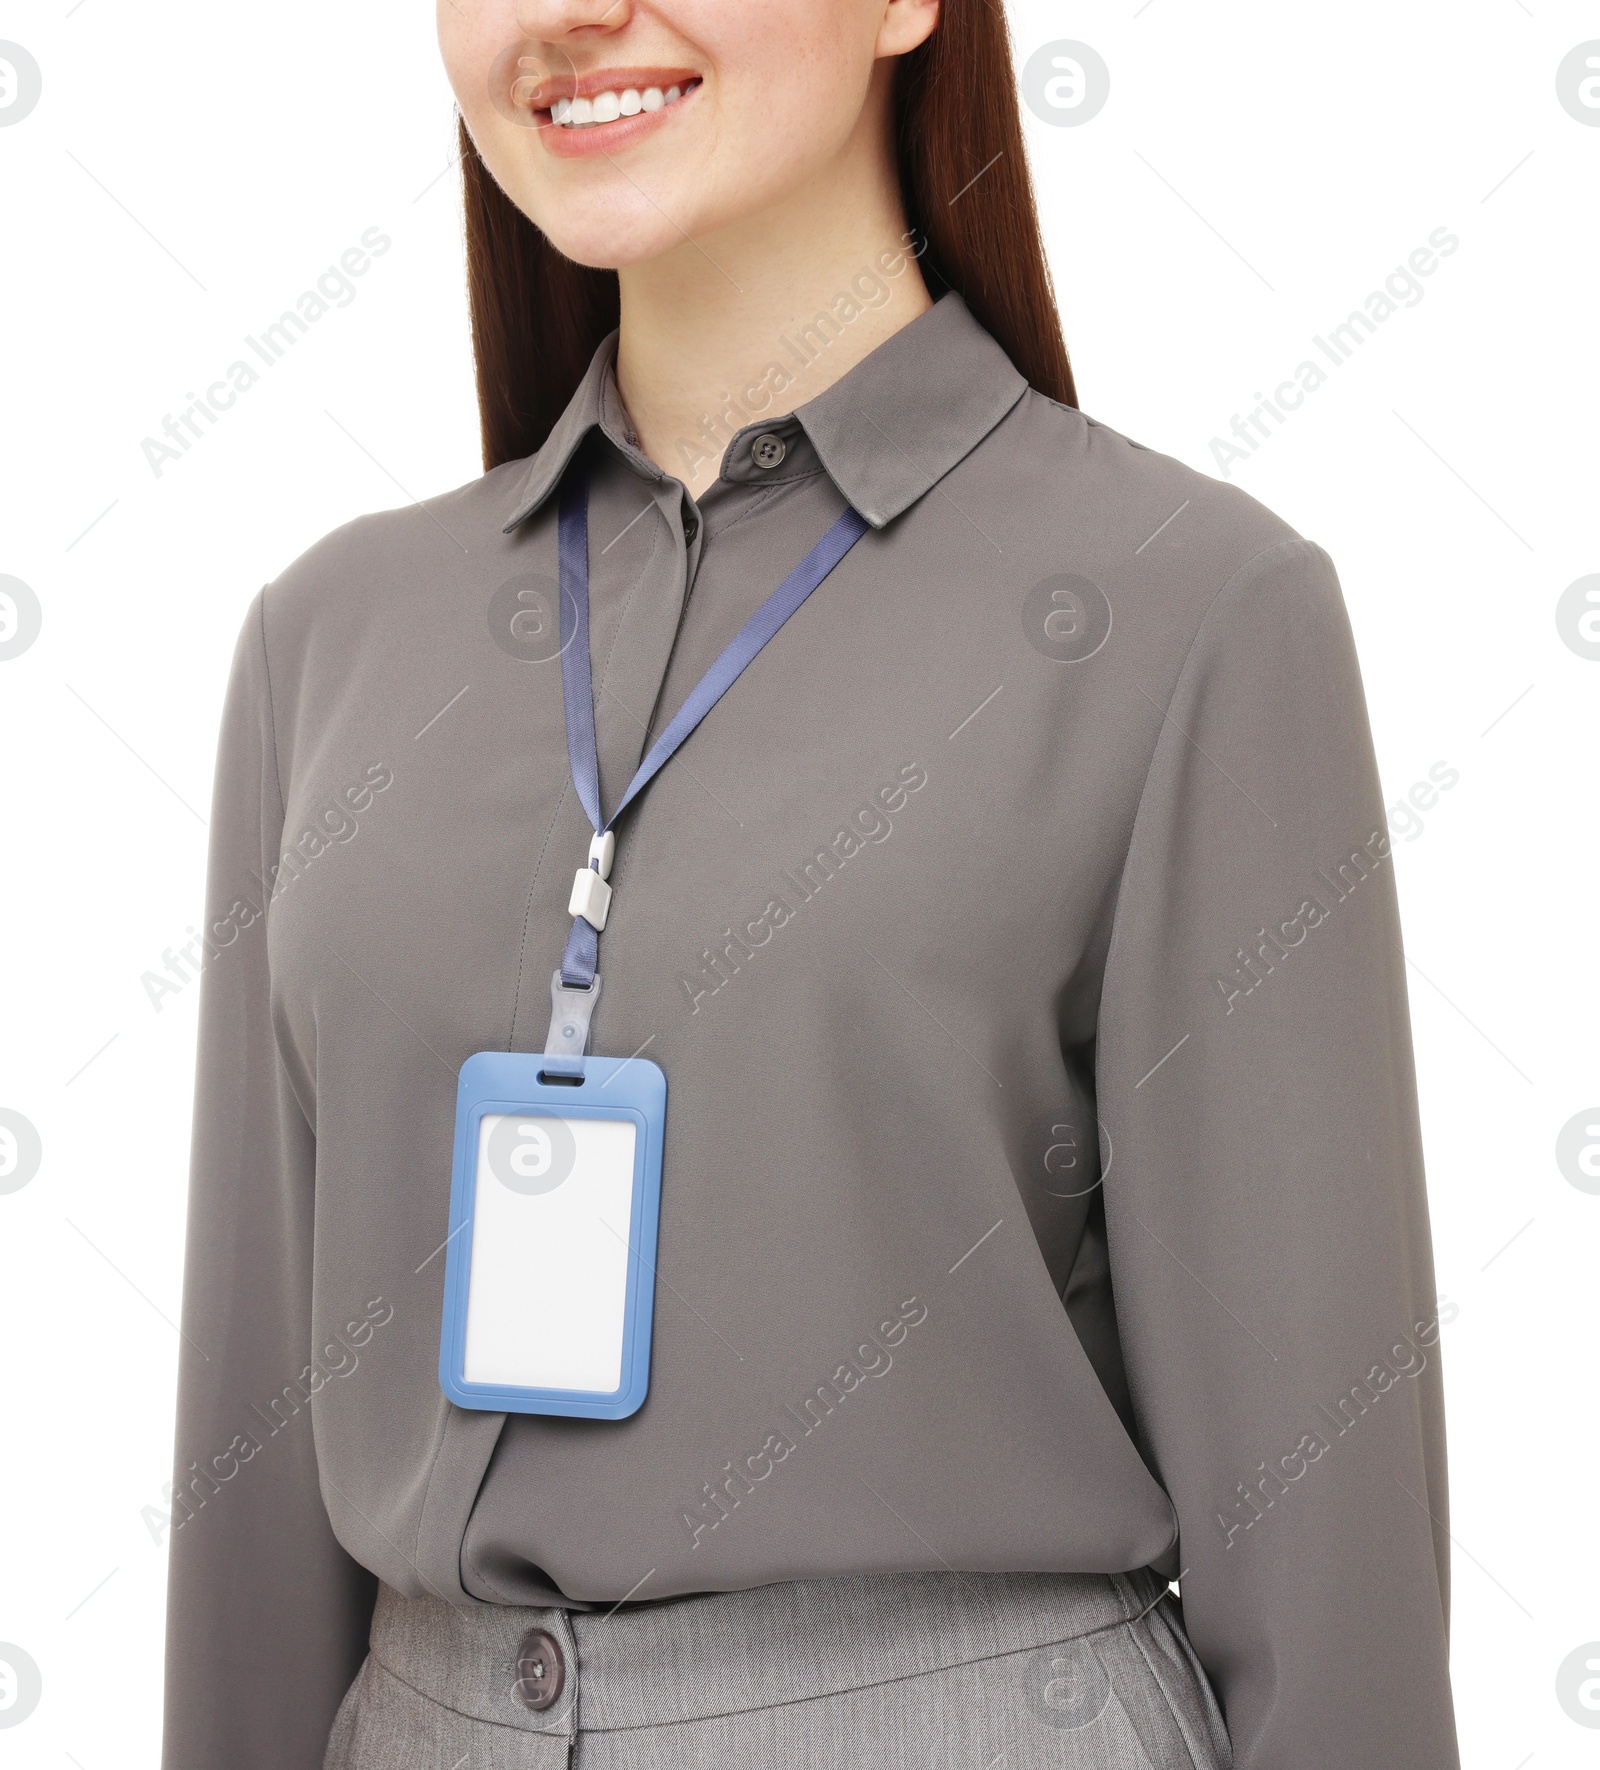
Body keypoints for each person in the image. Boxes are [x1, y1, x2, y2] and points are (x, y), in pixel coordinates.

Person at [162, 2, 1460, 1766]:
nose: (566, 13)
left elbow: (1330, 1583)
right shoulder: (327, 642)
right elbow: (251, 1521)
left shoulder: (1191, 614)